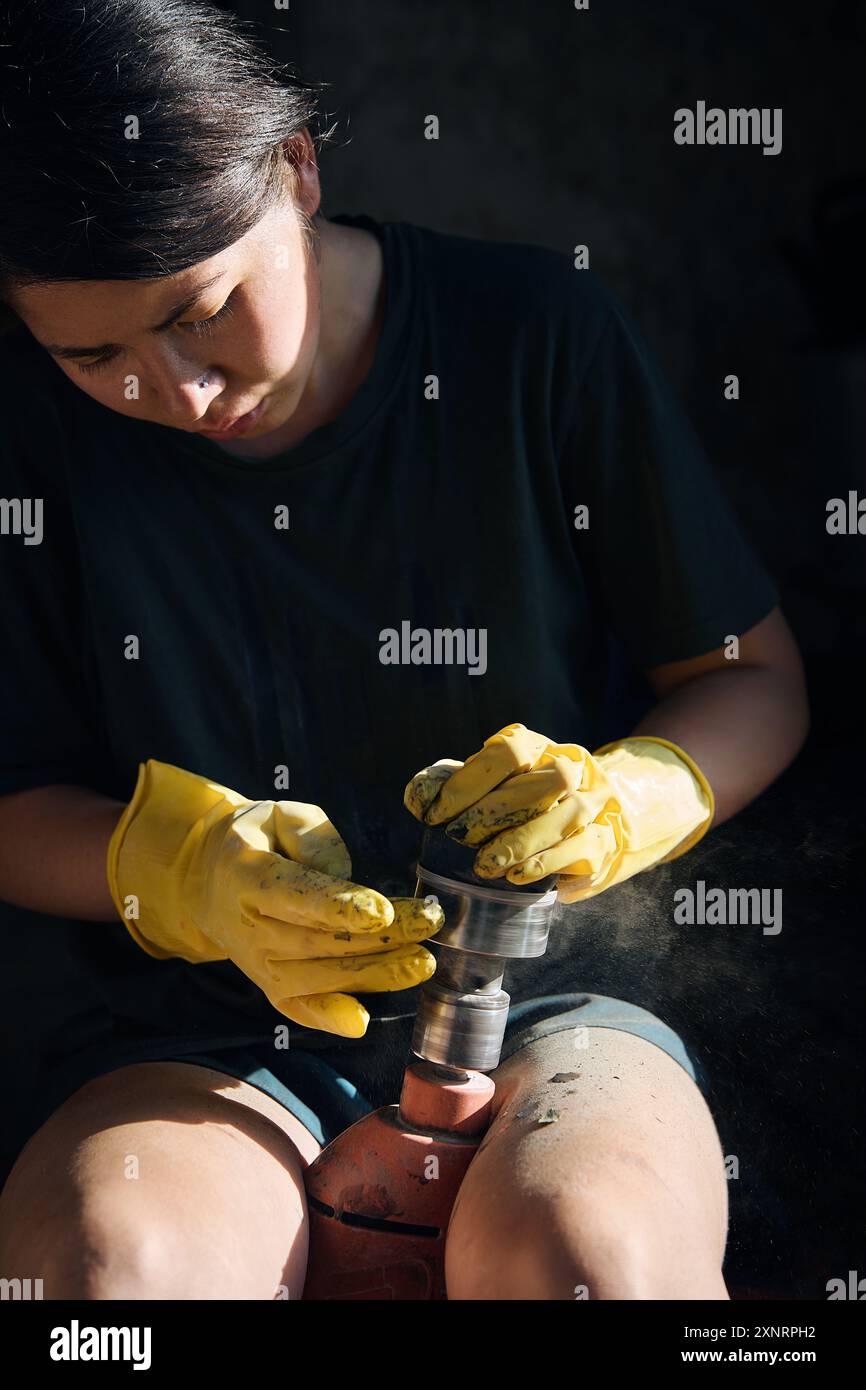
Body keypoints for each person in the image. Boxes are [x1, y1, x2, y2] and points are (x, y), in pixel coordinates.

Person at [0, 0, 808, 1300]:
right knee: (113, 1273)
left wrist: (633, 793)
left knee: (590, 1261)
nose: (181, 390)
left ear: (298, 169)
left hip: (557, 997)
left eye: (204, 310)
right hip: (192, 1022)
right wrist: (177, 871)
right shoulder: (24, 433)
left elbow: (750, 678)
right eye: (95, 353)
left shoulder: (534, 333)